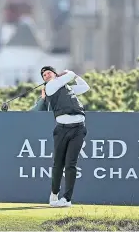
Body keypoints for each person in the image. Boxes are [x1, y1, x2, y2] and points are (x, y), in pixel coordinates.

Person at [35, 66, 90, 207]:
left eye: (48, 73)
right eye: (44, 75)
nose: (46, 76)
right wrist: (66, 73)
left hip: (78, 127)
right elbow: (70, 74)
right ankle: (54, 193)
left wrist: (76, 76)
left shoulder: (66, 88)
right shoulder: (50, 87)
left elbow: (85, 87)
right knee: (58, 163)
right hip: (62, 129)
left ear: (54, 73)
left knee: (71, 164)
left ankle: (67, 199)